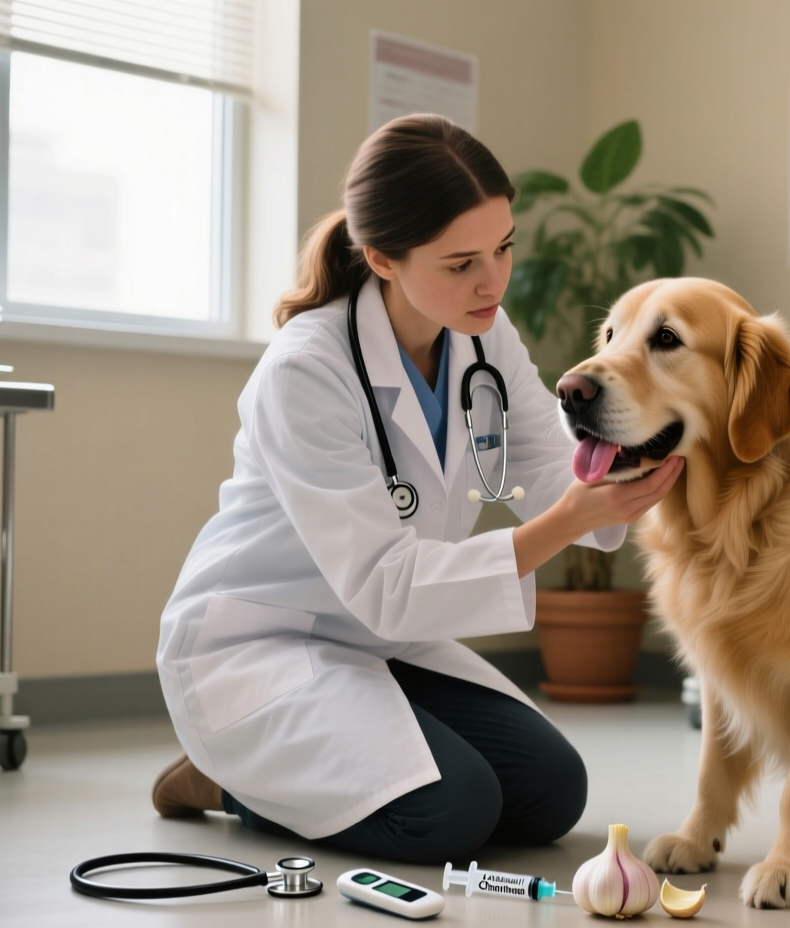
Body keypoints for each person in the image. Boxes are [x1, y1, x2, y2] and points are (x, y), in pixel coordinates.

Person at [152, 114, 684, 864]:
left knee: (551, 792)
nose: (492, 280)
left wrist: (632, 457)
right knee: (451, 815)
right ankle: (229, 778)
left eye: (503, 247)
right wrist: (569, 519)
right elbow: (384, 581)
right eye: (461, 261)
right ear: (383, 258)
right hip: (264, 640)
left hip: (382, 638)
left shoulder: (482, 335)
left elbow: (544, 460)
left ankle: (319, 761)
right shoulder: (305, 371)